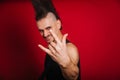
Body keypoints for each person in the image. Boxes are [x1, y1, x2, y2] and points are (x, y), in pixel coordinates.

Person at [31, 0, 80, 80]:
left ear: (58, 24)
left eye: (48, 28)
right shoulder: (51, 49)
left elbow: (73, 76)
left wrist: (66, 64)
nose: (45, 34)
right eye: (41, 30)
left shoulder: (70, 49)